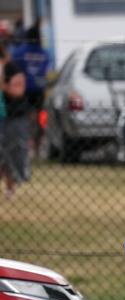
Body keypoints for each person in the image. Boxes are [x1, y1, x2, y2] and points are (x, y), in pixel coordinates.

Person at [11, 20, 49, 155]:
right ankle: (38, 142)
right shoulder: (44, 53)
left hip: (24, 89)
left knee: (25, 117)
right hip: (39, 89)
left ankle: (27, 144)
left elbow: (14, 67)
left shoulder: (19, 52)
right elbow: (45, 69)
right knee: (41, 114)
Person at [0, 60, 31, 199]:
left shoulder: (9, 67)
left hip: (5, 116)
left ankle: (10, 187)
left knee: (7, 154)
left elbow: (19, 88)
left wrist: (4, 86)